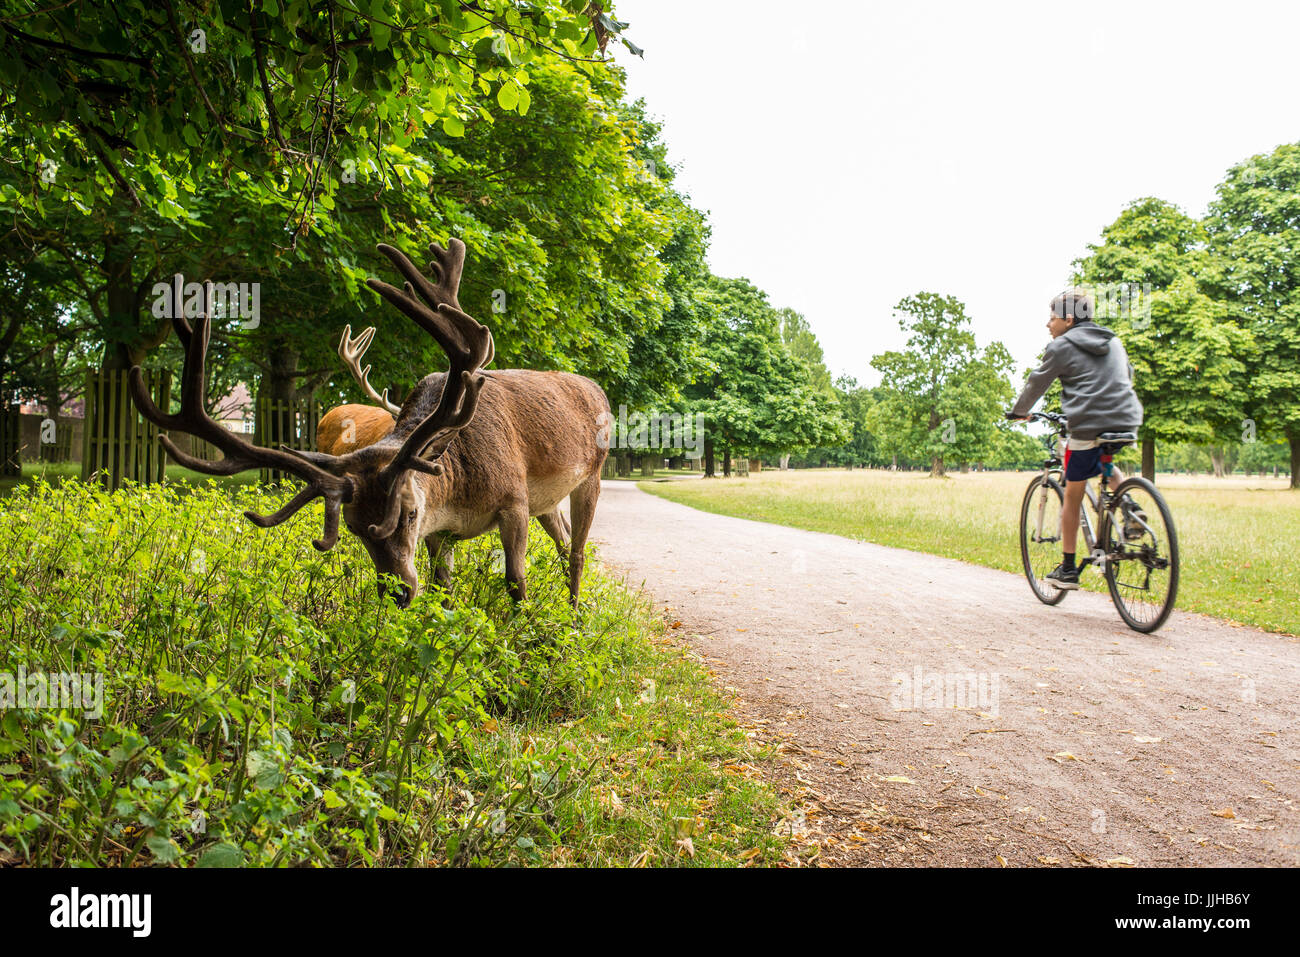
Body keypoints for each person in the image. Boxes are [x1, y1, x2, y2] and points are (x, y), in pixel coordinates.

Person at [1008, 288, 1143, 589]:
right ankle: (1130, 505)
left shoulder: (1061, 346)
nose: (1048, 324)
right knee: (1104, 462)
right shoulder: (1114, 341)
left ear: (1069, 319)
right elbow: (1127, 375)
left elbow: (1037, 382)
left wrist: (1020, 412)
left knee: (1072, 492)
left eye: (1052, 317)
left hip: (1088, 423)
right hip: (1126, 418)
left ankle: (1068, 569)